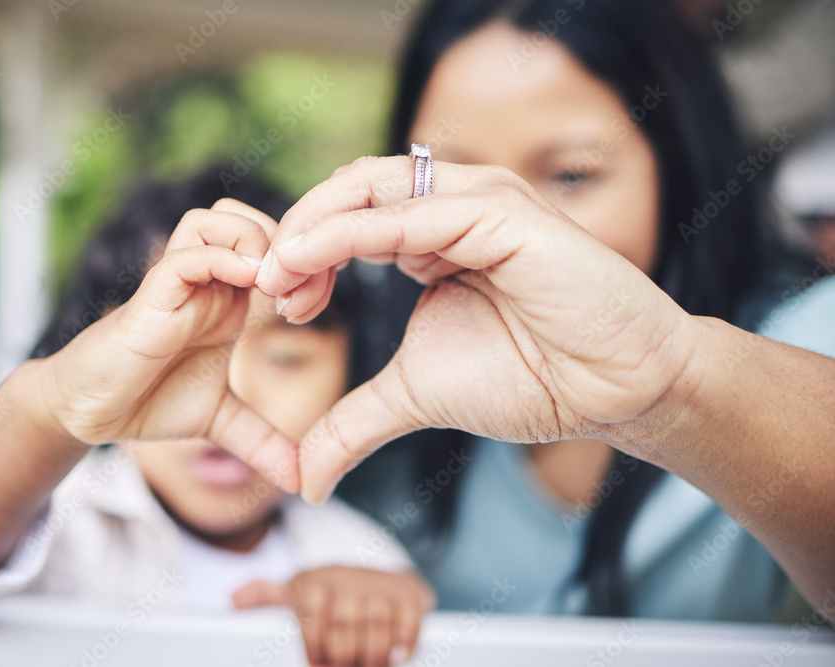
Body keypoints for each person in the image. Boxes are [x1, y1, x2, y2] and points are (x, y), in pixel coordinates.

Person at [253, 0, 835, 620]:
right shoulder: (350, 364)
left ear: (679, 172)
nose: (500, 224)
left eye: (569, 176)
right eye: (445, 178)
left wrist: (677, 382)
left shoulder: (807, 338)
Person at [0, 168, 434, 667]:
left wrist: (372, 609)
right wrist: (51, 409)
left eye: (286, 355)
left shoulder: (362, 554)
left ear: (349, 373)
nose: (231, 390)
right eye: (181, 353)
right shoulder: (61, 523)